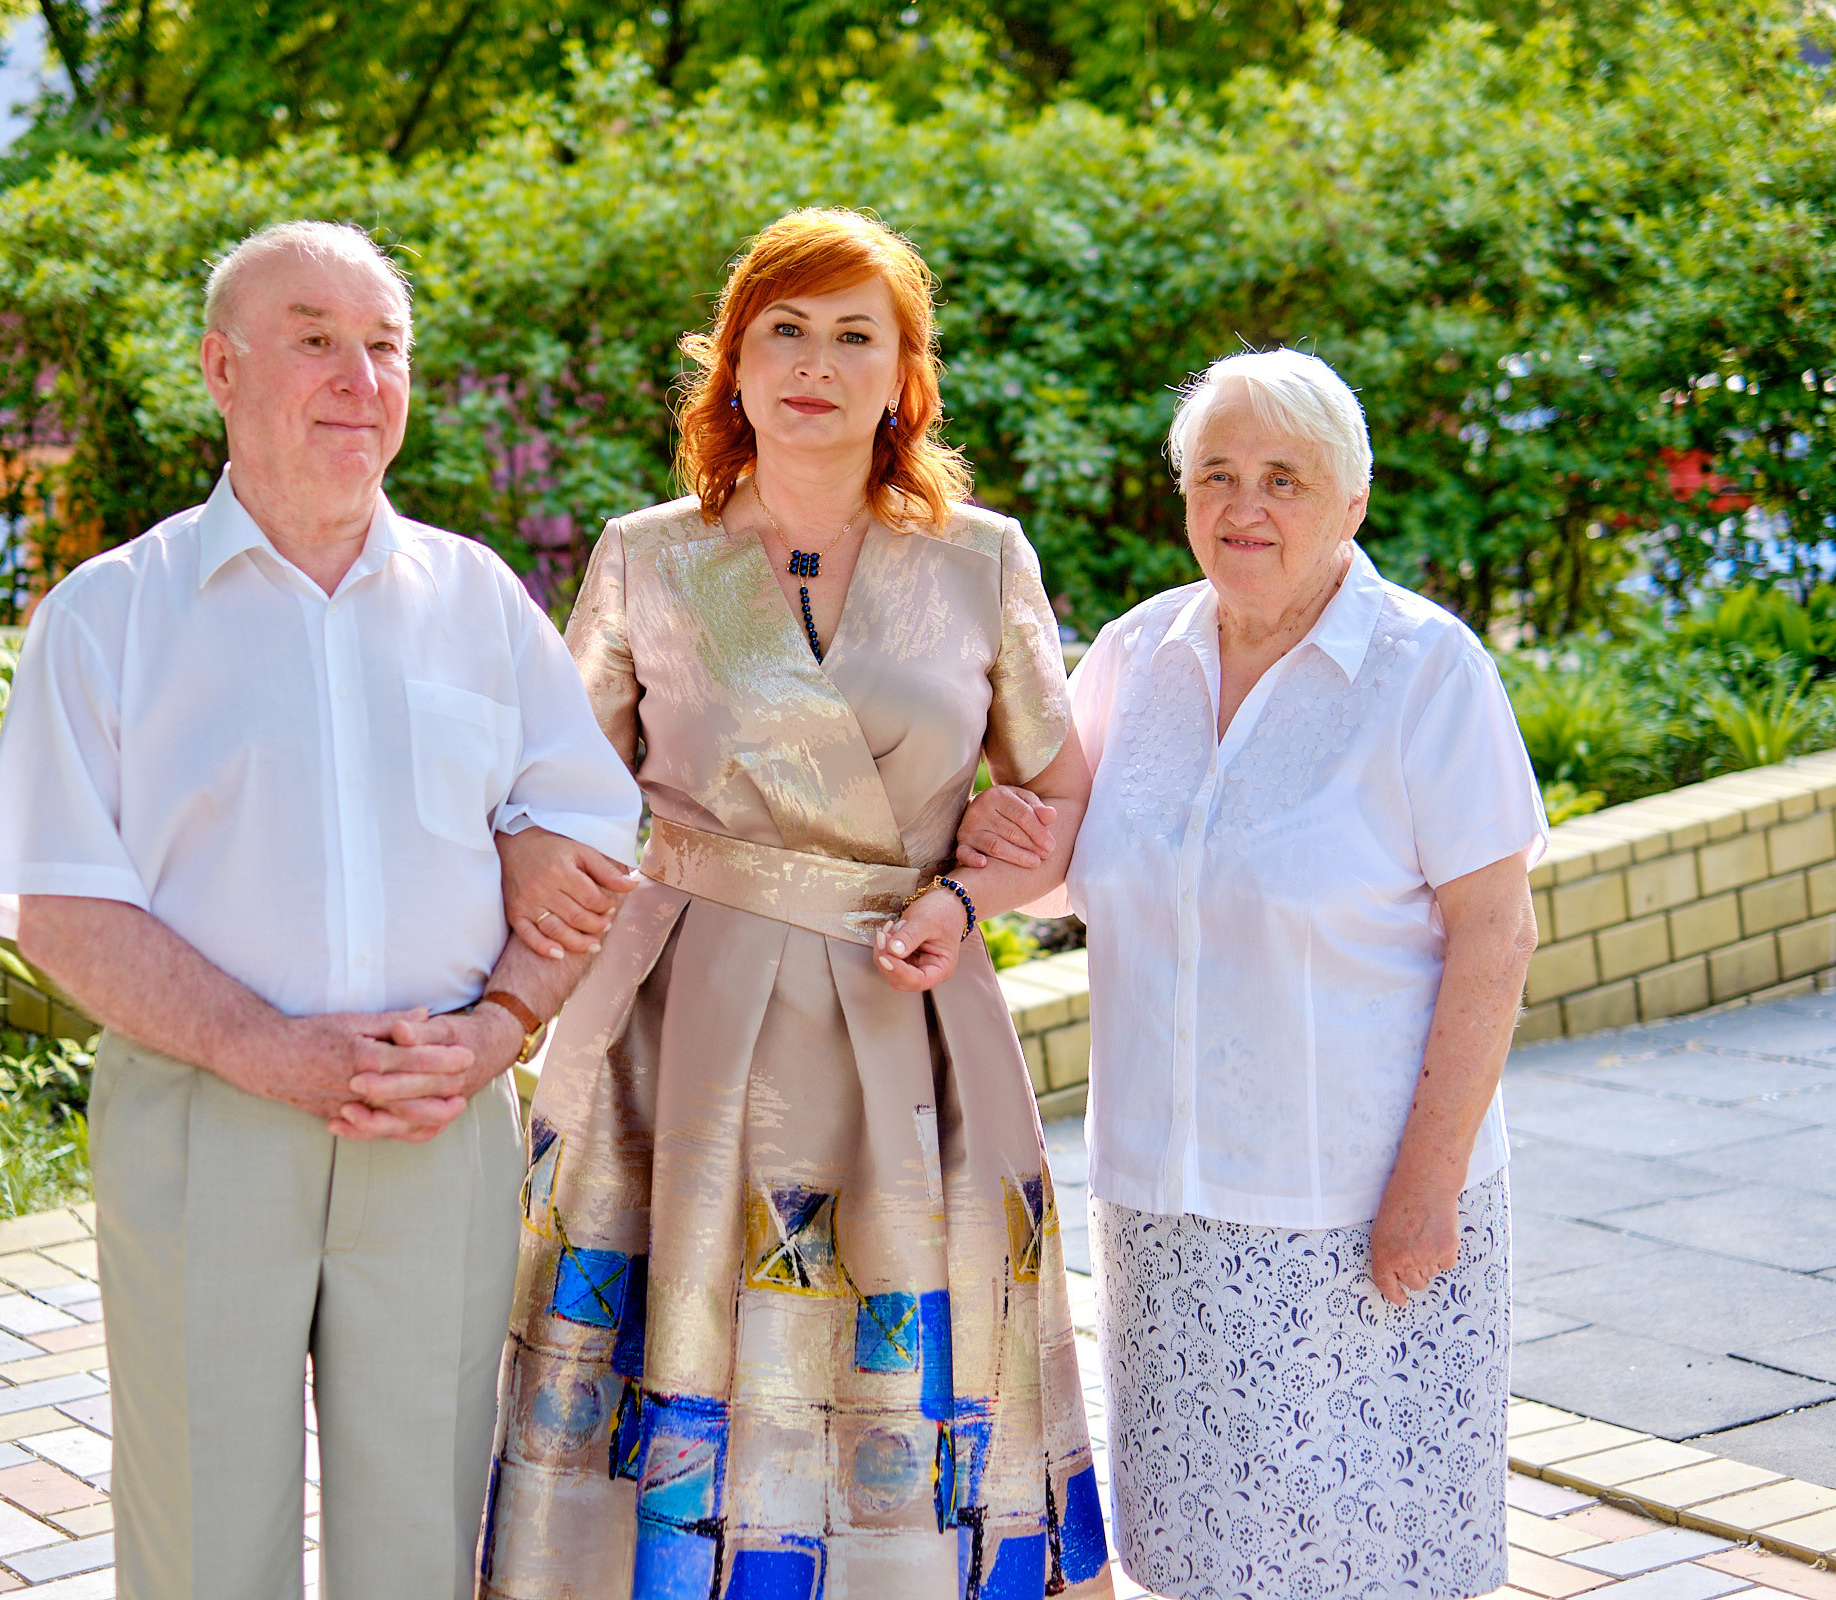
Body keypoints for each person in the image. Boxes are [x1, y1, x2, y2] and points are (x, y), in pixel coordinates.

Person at [0, 220, 643, 1600]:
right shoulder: (110, 615)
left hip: (441, 1122)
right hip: (210, 1119)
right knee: (206, 1541)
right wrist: (273, 1052)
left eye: (384, 346)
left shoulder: (481, 604)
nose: (358, 375)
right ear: (221, 367)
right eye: (315, 339)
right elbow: (62, 910)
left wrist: (502, 1022)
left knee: (422, 1546)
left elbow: (584, 847)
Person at [465, 209, 1114, 1600]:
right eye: (786, 330)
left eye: (854, 336)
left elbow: (1063, 807)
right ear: (736, 363)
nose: (817, 363)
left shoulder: (983, 562)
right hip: (679, 1031)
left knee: (901, 1351)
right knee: (674, 1333)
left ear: (904, 379)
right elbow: (554, 794)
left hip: (911, 1010)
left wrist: (970, 887)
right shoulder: (648, 557)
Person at [959, 347, 1545, 1600]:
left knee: (1367, 1559)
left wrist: (1427, 1184)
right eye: (1215, 473)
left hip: (1360, 1210)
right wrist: (964, 859)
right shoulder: (1134, 655)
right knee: (1201, 1556)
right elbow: (1071, 864)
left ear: (1353, 502)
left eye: (1284, 477)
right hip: (1168, 1212)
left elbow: (1498, 934)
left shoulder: (1425, 672)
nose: (1244, 506)